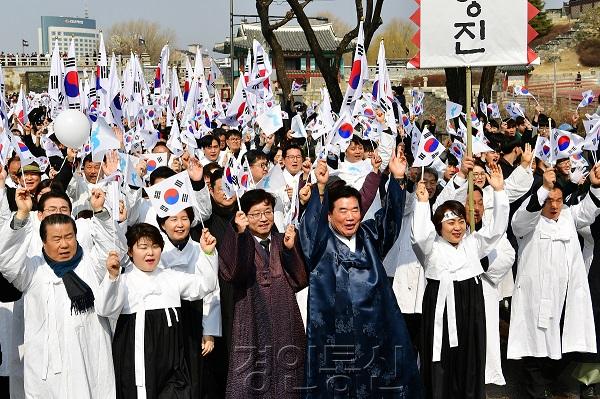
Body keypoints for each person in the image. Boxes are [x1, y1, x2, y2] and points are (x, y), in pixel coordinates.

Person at [300, 149, 422, 397]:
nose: (350, 217)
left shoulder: (368, 236)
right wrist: (320, 189)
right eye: (342, 211)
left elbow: (390, 222)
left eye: (355, 210)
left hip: (374, 332)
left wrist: (398, 180)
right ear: (330, 215)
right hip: (336, 338)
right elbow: (310, 230)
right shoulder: (320, 245)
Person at [0, 188, 118, 398]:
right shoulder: (32, 269)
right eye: (56, 239)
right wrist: (21, 216)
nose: (64, 244)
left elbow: (112, 248)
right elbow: (7, 261)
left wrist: (100, 212)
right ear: (43, 241)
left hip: (88, 360)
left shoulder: (91, 263)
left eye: (68, 237)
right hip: (46, 367)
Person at [412, 163, 508, 399]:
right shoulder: (430, 247)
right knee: (441, 360)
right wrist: (423, 204)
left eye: (460, 222)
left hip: (471, 305)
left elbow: (497, 229)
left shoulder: (473, 243)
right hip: (440, 304)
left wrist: (499, 192)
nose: (457, 228)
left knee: (470, 360)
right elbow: (419, 236)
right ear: (439, 226)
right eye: (450, 223)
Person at [96, 223, 218, 399]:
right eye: (143, 247)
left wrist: (207, 253)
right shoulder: (123, 280)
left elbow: (206, 285)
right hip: (138, 358)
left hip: (172, 360)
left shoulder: (171, 277)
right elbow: (104, 308)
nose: (150, 253)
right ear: (130, 251)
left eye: (155, 246)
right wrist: (112, 277)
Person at [508, 166, 600, 398]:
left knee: (563, 346)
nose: (555, 206)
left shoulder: (568, 216)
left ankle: (548, 384)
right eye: (550, 200)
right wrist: (544, 188)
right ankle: (534, 391)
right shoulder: (528, 221)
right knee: (535, 349)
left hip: (565, 299)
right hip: (536, 299)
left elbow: (588, 212)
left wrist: (596, 185)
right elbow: (519, 221)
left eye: (559, 200)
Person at [219, 189, 308, 398]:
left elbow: (300, 279)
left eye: (267, 212)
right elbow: (232, 273)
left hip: (285, 319)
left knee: (289, 378)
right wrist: (239, 236)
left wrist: (290, 249)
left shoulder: (281, 239)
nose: (263, 219)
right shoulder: (237, 238)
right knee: (251, 379)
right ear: (244, 217)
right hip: (251, 319)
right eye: (256, 214)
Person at [158, 207, 222, 398]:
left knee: (196, 377)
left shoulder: (202, 246)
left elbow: (212, 289)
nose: (179, 224)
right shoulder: (156, 250)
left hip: (195, 317)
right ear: (162, 224)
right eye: (173, 219)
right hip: (167, 320)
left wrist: (209, 331)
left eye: (184, 218)